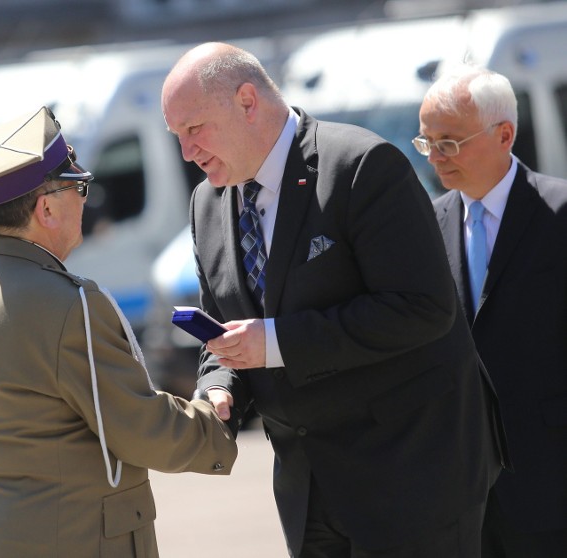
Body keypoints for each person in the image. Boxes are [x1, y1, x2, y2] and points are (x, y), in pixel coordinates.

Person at [161, 42, 510, 558]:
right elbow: (226, 331)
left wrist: (277, 343)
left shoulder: (361, 166)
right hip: (309, 491)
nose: (187, 153)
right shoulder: (207, 203)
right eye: (178, 137)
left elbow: (423, 307)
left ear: (247, 101)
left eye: (194, 130)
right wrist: (218, 385)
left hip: (412, 480)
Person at [0, 106, 237, 557]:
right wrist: (213, 423)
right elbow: (139, 428)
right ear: (45, 209)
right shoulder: (70, 305)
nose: (86, 199)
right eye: (78, 187)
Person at [418, 64, 567, 558]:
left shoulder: (560, 212)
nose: (437, 158)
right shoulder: (425, 227)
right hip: (462, 495)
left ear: (505, 135)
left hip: (553, 484)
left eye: (450, 142)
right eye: (428, 142)